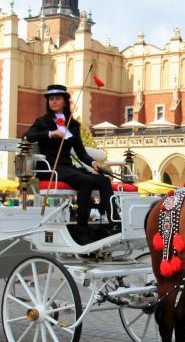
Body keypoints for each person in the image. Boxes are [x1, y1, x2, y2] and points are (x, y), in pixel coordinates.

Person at [24, 84, 116, 241]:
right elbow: (28, 135)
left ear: (65, 101)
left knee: (103, 180)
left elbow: (80, 152)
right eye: (51, 99)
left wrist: (93, 162)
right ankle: (82, 226)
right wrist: (51, 133)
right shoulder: (42, 121)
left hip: (67, 167)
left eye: (57, 99)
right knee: (86, 181)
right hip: (51, 167)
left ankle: (113, 220)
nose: (53, 102)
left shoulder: (72, 125)